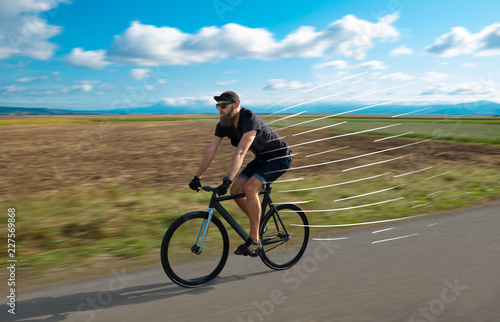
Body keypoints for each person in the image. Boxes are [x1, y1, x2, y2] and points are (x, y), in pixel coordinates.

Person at [189, 91, 292, 256]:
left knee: (251, 187)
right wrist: (197, 176)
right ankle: (259, 224)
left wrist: (227, 179)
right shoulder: (223, 124)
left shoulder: (249, 118)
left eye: (223, 105)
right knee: (236, 190)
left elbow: (241, 153)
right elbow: (211, 151)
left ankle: (255, 241)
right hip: (262, 158)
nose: (220, 109)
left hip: (280, 157)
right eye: (218, 106)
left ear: (236, 106)